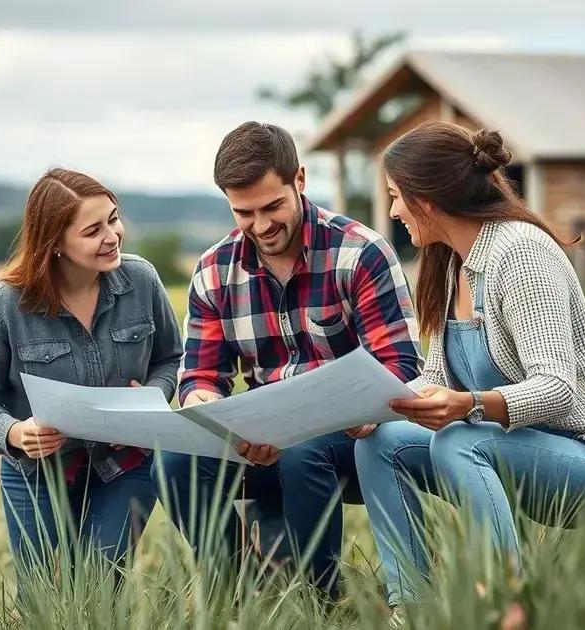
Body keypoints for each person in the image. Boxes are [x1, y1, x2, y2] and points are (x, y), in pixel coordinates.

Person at [355, 121, 585, 609]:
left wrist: (468, 406)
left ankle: (505, 603)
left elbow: (558, 387)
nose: (393, 210)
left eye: (395, 195)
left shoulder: (521, 253)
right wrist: (377, 405)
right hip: (508, 447)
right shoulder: (451, 265)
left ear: (426, 199)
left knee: (458, 440)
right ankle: (413, 606)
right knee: (381, 444)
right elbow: (438, 379)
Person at [154, 121, 423, 599]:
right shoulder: (215, 270)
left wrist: (337, 417)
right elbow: (200, 375)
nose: (260, 225)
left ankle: (320, 596)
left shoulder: (360, 253)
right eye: (244, 212)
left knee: (303, 450)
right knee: (174, 461)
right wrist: (213, 414)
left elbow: (398, 369)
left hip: (351, 437)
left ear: (299, 180)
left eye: (272, 206)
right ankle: (240, 591)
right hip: (258, 437)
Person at [0, 168, 183, 590]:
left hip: (126, 464)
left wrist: (154, 394)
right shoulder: (2, 306)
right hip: (37, 473)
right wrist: (14, 432)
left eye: (113, 219)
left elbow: (171, 358)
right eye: (92, 230)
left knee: (101, 584)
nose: (112, 236)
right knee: (39, 594)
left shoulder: (142, 282)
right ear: (55, 242)